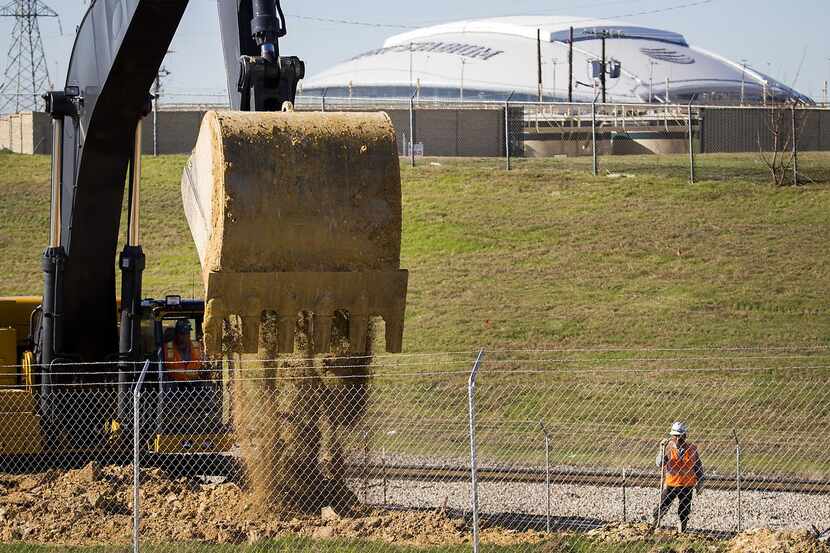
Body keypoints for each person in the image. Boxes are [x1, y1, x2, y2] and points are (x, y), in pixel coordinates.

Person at [653, 421, 704, 533]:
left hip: (687, 485)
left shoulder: (692, 449)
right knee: (663, 505)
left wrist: (700, 483)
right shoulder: (667, 448)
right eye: (675, 436)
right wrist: (661, 451)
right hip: (671, 484)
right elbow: (660, 463)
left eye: (679, 436)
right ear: (672, 436)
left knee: (684, 509)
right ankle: (655, 523)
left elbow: (698, 467)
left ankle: (683, 528)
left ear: (684, 436)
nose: (677, 439)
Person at [163, 319, 203, 384]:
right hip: (174, 387)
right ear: (176, 334)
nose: (184, 337)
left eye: (187, 333)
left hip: (195, 386)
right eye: (182, 333)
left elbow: (204, 367)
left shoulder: (198, 347)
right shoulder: (167, 348)